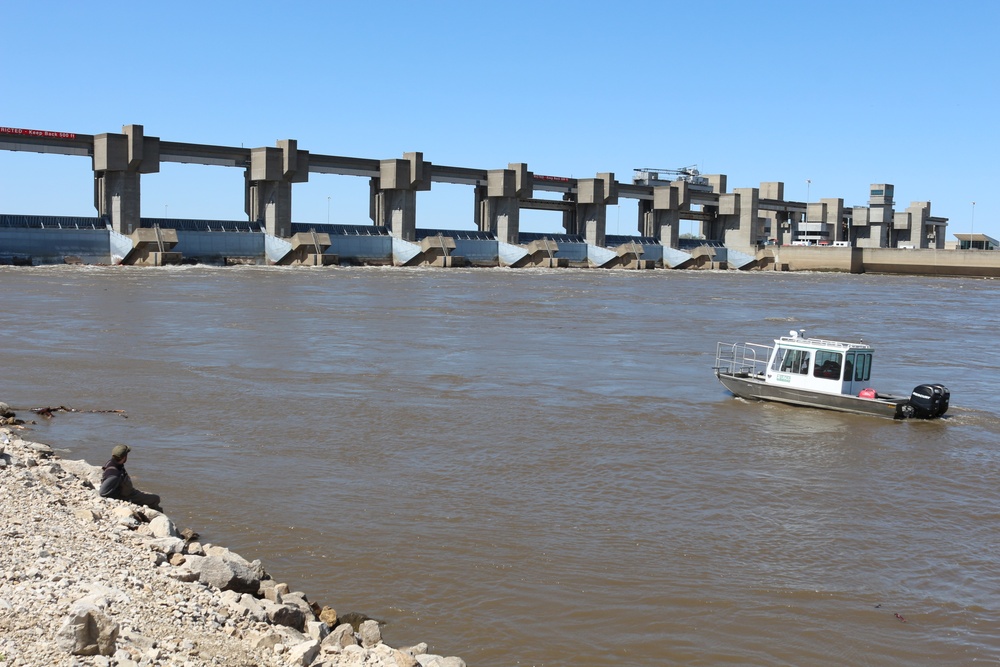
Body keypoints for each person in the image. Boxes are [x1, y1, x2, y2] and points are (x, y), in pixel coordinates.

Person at [99, 444, 162, 510]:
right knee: (156, 498)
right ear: (124, 457)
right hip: (128, 496)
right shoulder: (115, 475)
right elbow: (102, 493)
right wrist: (120, 498)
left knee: (150, 495)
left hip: (129, 492)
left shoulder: (114, 463)